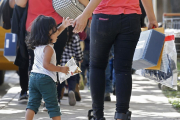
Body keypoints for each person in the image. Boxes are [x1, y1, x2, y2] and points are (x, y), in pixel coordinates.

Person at [73, 0, 158, 120]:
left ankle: (98, 116)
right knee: (123, 69)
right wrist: (151, 18)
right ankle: (121, 115)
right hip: (131, 18)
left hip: (103, 17)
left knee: (97, 67)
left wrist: (85, 15)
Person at [25, 15, 72, 120]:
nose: (57, 34)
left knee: (32, 104)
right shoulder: (48, 49)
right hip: (45, 79)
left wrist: (63, 26)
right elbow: (46, 65)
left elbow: (55, 34)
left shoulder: (38, 45)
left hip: (33, 77)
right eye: (55, 31)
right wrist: (61, 69)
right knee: (52, 105)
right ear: (47, 34)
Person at [57, 26, 83, 106]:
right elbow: (78, 50)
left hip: (61, 61)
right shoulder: (75, 36)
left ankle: (57, 98)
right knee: (72, 79)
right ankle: (71, 90)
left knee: (60, 81)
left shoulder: (60, 35)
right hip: (72, 61)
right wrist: (80, 58)